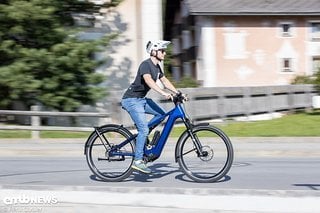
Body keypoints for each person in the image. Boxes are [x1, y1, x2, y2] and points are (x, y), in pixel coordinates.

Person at [121, 40, 179, 174]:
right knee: (143, 129)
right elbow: (148, 81)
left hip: (141, 99)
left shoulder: (157, 67)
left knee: (161, 114)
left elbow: (165, 81)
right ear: (154, 51)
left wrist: (177, 92)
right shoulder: (145, 65)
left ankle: (143, 136)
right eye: (162, 51)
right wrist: (163, 93)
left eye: (165, 51)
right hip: (131, 100)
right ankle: (138, 161)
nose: (164, 53)